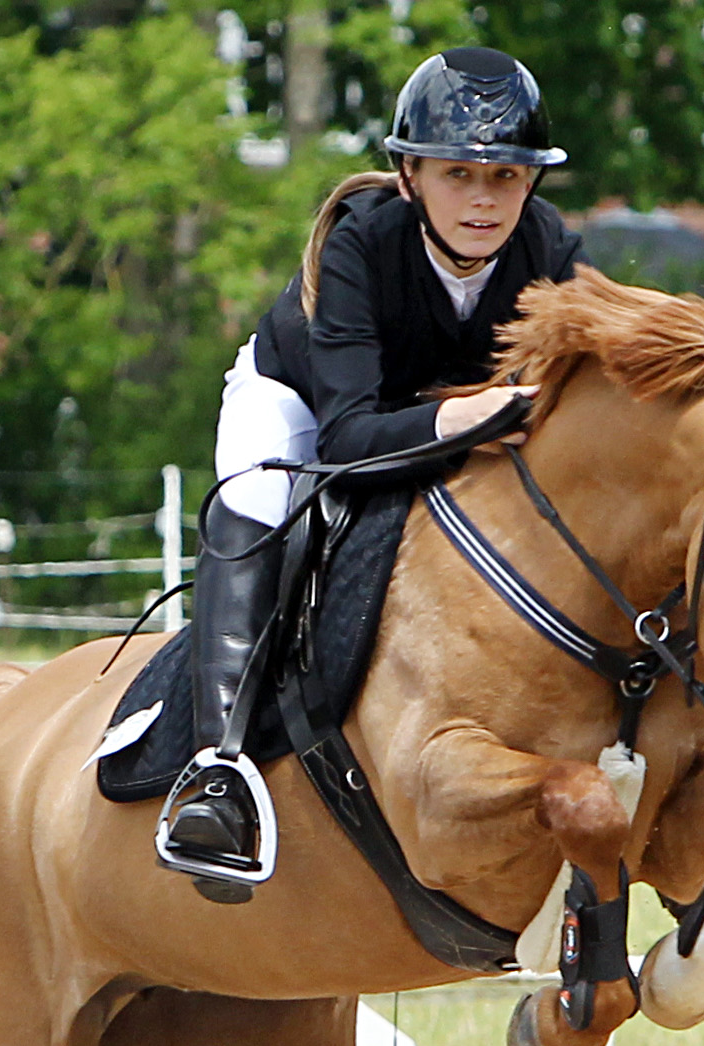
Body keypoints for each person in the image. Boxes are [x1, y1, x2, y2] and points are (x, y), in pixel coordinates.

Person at [158, 46, 585, 902]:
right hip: (305, 405)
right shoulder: (361, 243)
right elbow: (349, 438)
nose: (483, 199)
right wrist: (461, 417)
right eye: (459, 174)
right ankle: (218, 772)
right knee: (258, 504)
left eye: (505, 177)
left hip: (451, 419)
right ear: (409, 175)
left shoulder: (549, 250)